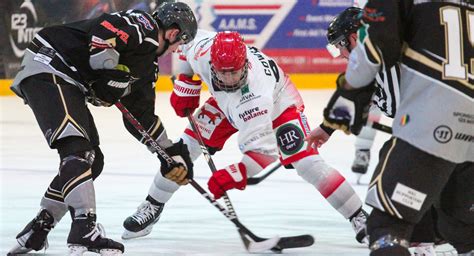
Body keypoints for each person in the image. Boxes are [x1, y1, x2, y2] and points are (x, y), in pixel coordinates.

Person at [121, 29, 369, 245]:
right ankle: (153, 205)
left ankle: (358, 216)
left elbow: (263, 153)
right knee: (185, 149)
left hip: (279, 104)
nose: (228, 79)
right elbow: (186, 42)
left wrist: (235, 173)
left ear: (245, 65)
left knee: (306, 162)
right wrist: (187, 82)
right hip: (225, 105)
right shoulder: (203, 50)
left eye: (234, 73)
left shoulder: (257, 97)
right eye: (223, 73)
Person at [8, 2, 197, 255]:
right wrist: (107, 67)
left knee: (92, 161)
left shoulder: (146, 64)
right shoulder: (145, 26)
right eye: (179, 43)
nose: (175, 49)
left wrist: (169, 151)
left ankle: (38, 230)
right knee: (78, 151)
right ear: (174, 33)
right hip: (50, 65)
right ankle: (84, 230)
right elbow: (104, 29)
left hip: (67, 80)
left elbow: (139, 117)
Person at [309, 1, 474, 255]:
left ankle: (420, 244)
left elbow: (369, 66)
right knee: (458, 223)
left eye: (342, 46)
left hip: (435, 134)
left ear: (356, 37)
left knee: (388, 222)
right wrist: (327, 128)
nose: (342, 54)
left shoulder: (386, 49)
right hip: (464, 129)